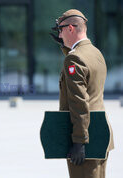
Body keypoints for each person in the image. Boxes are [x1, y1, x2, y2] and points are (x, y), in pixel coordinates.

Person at [51, 9, 114, 178]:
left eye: (60, 30)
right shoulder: (95, 52)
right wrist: (67, 47)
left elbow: (79, 102)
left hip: (85, 139)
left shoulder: (74, 58)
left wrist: (79, 141)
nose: (60, 34)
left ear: (70, 28)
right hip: (100, 133)